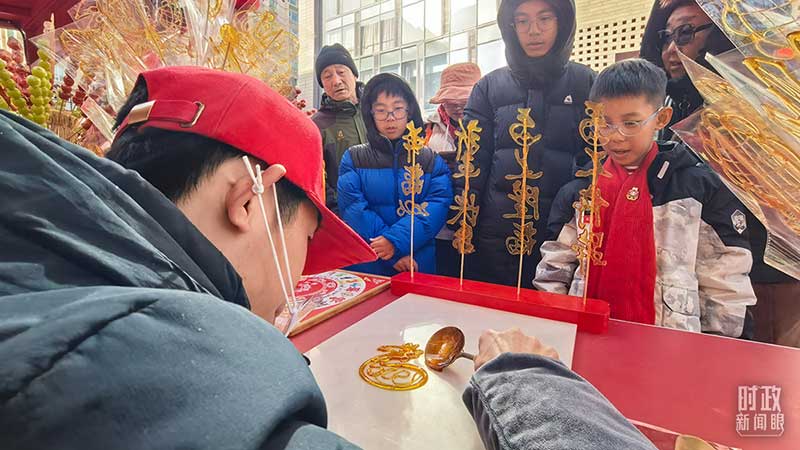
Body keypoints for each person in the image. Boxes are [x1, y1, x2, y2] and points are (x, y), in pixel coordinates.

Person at [0, 67, 657, 450]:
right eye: (309, 237)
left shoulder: (40, 276)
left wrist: (402, 239)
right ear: (248, 200)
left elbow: (433, 204)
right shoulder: (191, 381)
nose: (303, 270)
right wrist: (530, 384)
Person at [534, 59, 756, 338]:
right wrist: (558, 331)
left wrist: (715, 346)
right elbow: (555, 267)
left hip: (673, 342)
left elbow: (725, 279)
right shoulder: (580, 191)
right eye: (604, 123)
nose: (615, 136)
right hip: (586, 336)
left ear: (661, 118)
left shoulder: (697, 189)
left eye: (631, 123)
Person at [640, 0, 800, 347]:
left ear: (722, 33)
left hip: (766, 275)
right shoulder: (674, 108)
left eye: (685, 33)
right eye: (665, 37)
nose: (671, 50)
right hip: (696, 278)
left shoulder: (759, 106)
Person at [453, 0, 595, 287]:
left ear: (562, 23)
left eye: (544, 19)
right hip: (497, 233)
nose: (534, 30)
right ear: (511, 26)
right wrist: (463, 228)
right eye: (523, 21)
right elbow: (471, 165)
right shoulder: (488, 88)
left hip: (562, 236)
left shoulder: (587, 83)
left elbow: (596, 161)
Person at [338, 73, 453, 276]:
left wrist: (396, 242)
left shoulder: (430, 160)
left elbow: (437, 206)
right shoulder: (354, 158)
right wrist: (389, 250)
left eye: (397, 109)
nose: (390, 118)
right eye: (381, 111)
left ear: (409, 111)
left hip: (416, 261)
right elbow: (353, 209)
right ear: (370, 114)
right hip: (369, 262)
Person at [425, 62, 482, 277]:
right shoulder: (426, 130)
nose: (457, 107)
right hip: (439, 228)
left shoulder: (493, 127)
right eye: (450, 102)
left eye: (464, 100)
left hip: (479, 226)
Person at [311, 43, 367, 214]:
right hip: (345, 215)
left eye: (341, 72)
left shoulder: (377, 110)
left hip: (388, 210)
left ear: (354, 74)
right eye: (327, 76)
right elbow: (316, 179)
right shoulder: (317, 126)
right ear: (322, 84)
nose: (336, 81)